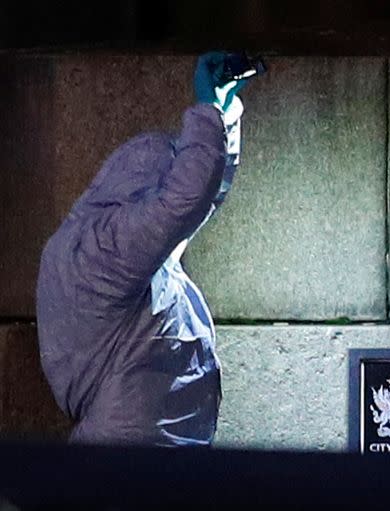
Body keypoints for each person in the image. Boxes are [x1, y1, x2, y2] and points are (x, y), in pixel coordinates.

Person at [35, 52, 256, 446]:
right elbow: (185, 201)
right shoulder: (104, 249)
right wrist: (207, 108)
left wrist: (223, 119)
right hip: (135, 445)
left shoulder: (105, 249)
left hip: (136, 438)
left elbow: (200, 199)